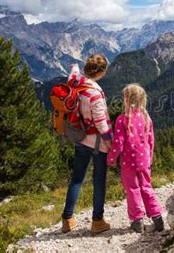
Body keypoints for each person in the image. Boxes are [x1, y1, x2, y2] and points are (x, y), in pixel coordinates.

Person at [61, 54, 113, 234]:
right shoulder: (95, 93)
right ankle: (97, 221)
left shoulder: (77, 82)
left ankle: (67, 219)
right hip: (98, 143)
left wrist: (74, 67)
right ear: (101, 72)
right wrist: (111, 143)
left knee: (77, 179)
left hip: (79, 137)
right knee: (99, 181)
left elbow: (72, 74)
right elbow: (101, 124)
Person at [107, 83, 164, 233]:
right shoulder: (147, 117)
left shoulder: (122, 119)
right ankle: (157, 218)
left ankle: (137, 221)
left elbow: (118, 143)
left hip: (128, 162)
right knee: (146, 187)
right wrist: (150, 157)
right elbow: (151, 141)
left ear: (127, 100)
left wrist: (111, 158)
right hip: (145, 161)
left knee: (133, 189)